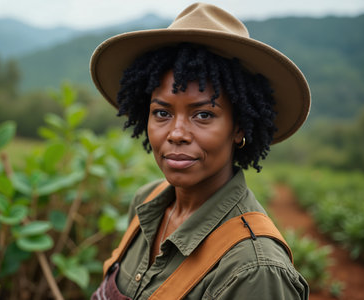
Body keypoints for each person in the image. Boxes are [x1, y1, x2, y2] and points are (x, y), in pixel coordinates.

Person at [90, 2, 310, 299]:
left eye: (203, 115)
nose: (177, 134)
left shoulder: (255, 270)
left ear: (240, 128)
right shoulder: (147, 201)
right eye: (162, 113)